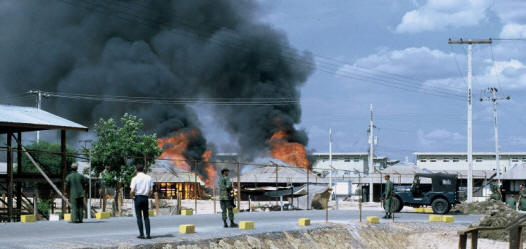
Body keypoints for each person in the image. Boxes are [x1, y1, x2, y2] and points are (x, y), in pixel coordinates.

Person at [130, 164, 154, 239]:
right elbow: (151, 190)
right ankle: (148, 234)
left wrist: (132, 197)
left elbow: (132, 190)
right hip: (145, 198)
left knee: (139, 216)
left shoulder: (134, 178)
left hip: (137, 197)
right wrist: (148, 195)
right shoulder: (149, 177)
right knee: (146, 216)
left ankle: (141, 234)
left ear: (136, 170)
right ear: (143, 169)